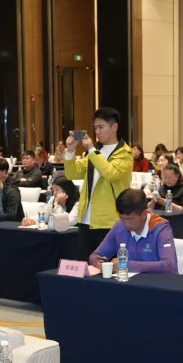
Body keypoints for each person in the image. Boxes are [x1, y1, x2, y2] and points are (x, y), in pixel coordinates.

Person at [63, 107, 135, 258]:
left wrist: (91, 149)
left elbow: (110, 173)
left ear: (114, 127)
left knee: (107, 267)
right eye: (95, 128)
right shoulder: (95, 151)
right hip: (86, 219)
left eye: (101, 127)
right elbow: (72, 174)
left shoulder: (125, 153)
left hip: (110, 220)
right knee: (85, 266)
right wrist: (70, 152)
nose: (97, 132)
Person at [88, 189, 176, 274]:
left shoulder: (161, 229)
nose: (126, 224)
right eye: (122, 218)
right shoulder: (119, 226)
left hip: (157, 283)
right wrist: (100, 264)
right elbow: (95, 256)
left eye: (130, 219)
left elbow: (169, 266)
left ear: (144, 214)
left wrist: (127, 265)